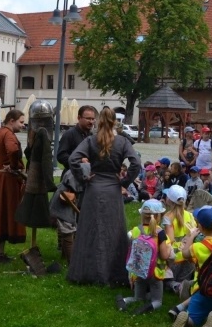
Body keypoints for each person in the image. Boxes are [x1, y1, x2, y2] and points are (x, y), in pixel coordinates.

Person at [67, 107, 140, 285]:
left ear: (99, 121)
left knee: (90, 230)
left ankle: (88, 273)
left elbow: (72, 159)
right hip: (113, 188)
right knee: (113, 230)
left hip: (94, 188)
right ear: (115, 122)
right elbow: (136, 163)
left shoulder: (91, 140)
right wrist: (125, 182)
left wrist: (83, 177)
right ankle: (115, 273)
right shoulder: (122, 141)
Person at [53, 105, 97, 262]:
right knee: (67, 215)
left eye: (93, 119)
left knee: (81, 214)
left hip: (86, 181)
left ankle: (78, 247)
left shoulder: (91, 135)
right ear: (79, 118)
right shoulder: (70, 134)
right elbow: (60, 155)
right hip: (70, 180)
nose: (91, 121)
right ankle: (63, 248)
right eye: (88, 118)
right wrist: (77, 160)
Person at [0, 109, 27, 263]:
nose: (23, 125)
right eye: (21, 122)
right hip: (6, 179)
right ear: (11, 121)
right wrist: (13, 166)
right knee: (3, 213)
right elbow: (13, 150)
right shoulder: (8, 134)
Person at [117, 199, 171, 315]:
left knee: (138, 298)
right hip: (155, 273)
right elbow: (164, 256)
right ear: (158, 216)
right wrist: (169, 249)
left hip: (139, 270)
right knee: (158, 301)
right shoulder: (160, 233)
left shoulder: (136, 230)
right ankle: (145, 309)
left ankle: (123, 301)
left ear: (142, 214)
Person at [16, 100, 56, 249]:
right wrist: (50, 183)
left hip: (33, 174)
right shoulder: (43, 134)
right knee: (34, 210)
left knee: (31, 209)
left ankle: (33, 247)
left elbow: (29, 152)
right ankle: (32, 248)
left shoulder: (35, 134)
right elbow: (46, 159)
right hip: (38, 178)